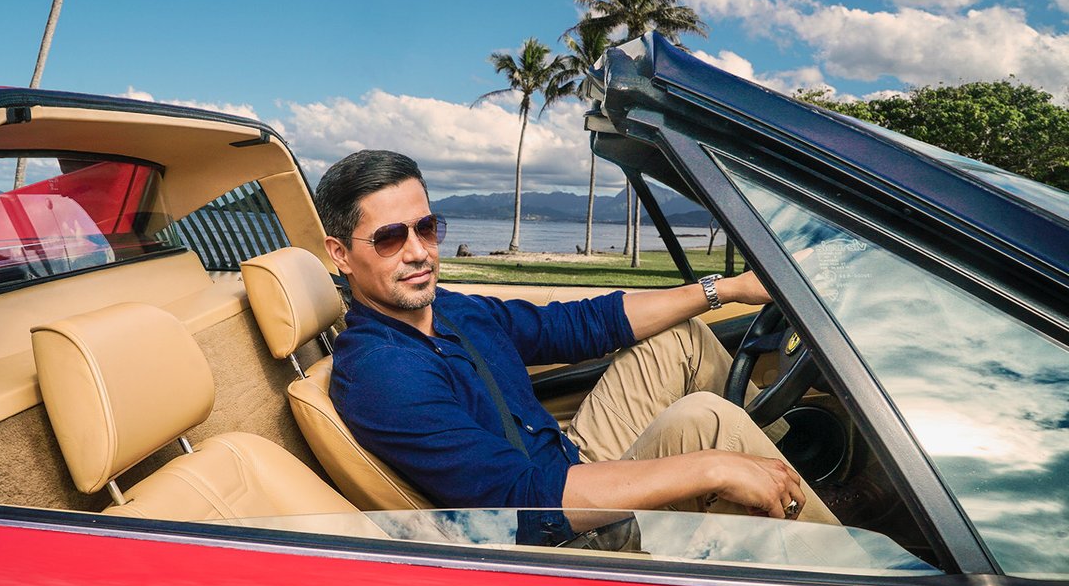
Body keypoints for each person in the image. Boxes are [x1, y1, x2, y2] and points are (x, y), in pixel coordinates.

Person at [316, 149, 837, 546]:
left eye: (427, 228)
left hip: (567, 458)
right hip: (562, 538)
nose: (418, 252)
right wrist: (710, 466)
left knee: (680, 338)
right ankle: (854, 566)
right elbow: (525, 504)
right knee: (707, 422)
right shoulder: (382, 372)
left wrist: (727, 289)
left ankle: (789, 464)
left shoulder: (450, 309)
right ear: (340, 254)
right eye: (389, 238)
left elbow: (578, 325)